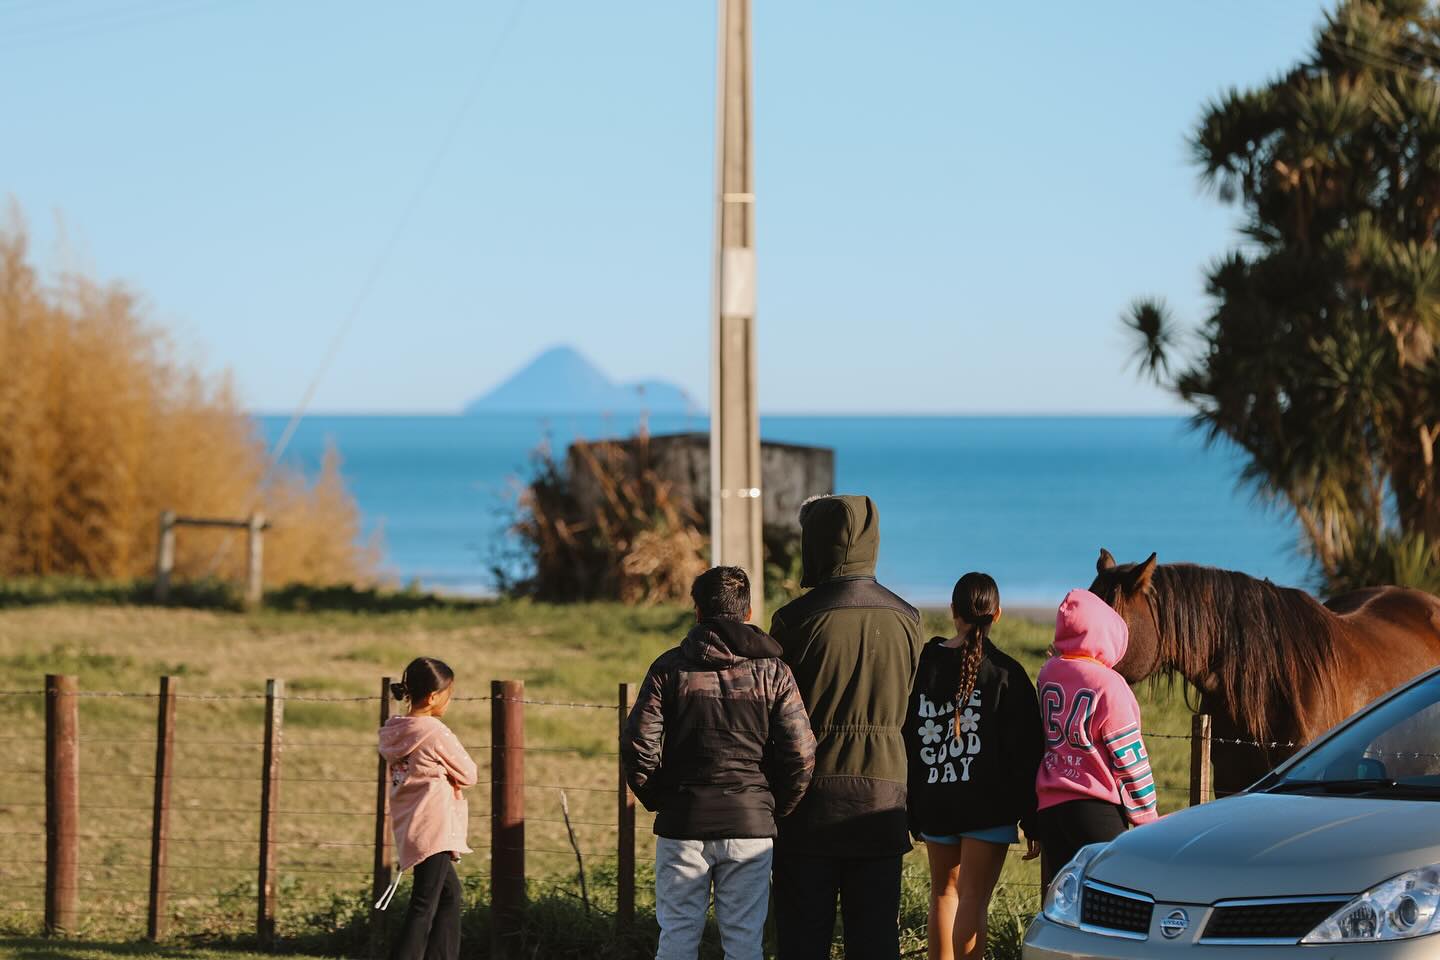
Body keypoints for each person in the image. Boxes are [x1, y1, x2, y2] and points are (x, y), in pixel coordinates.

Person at [622, 565, 816, 960]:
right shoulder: (774, 672)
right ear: (747, 613)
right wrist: (773, 804)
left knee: (676, 937)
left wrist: (662, 797)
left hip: (683, 823)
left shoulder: (670, 668)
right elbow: (800, 751)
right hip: (750, 823)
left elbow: (638, 743)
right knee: (744, 944)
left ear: (697, 610)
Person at [769, 495, 926, 960]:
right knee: (875, 936)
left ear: (815, 543)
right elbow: (915, 715)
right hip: (884, 796)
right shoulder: (908, 619)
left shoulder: (795, 619)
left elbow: (774, 715)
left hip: (809, 799)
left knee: (802, 936)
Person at [903, 572, 1044, 960]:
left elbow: (908, 737)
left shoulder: (925, 664)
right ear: (997, 614)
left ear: (953, 611)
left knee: (942, 894)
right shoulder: (1008, 674)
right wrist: (1033, 822)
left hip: (935, 799)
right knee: (973, 900)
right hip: (988, 806)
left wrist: (912, 806)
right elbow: (1026, 755)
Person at [1034, 588, 1159, 888]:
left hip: (1051, 807)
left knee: (1065, 900)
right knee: (1113, 895)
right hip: (1095, 806)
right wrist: (1147, 818)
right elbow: (1129, 757)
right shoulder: (1109, 685)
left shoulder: (1048, 673)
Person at [377, 657, 478, 960]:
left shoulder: (395, 730)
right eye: (449, 693)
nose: (450, 700)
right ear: (434, 696)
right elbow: (470, 774)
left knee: (449, 896)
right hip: (435, 826)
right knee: (424, 906)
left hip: (411, 826)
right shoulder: (434, 732)